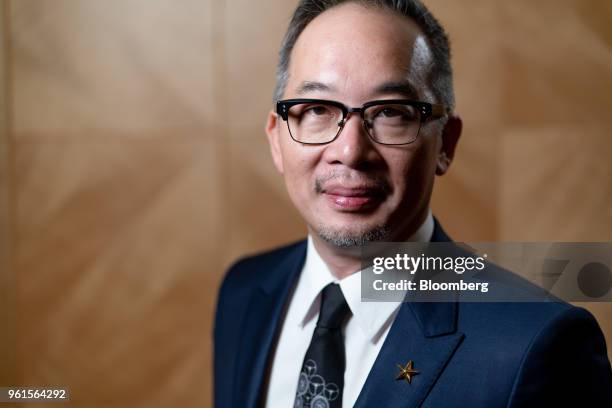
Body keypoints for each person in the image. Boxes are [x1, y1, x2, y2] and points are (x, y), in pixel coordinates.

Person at [214, 1, 612, 407]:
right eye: (317, 109)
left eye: (391, 112)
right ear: (276, 139)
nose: (350, 151)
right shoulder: (245, 292)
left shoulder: (536, 344)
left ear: (445, 144)